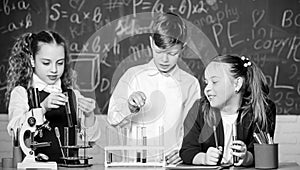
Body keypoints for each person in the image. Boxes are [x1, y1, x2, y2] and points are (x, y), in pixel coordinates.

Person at [107, 12, 201, 164]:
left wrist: (184, 151)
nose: (164, 59)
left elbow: (193, 129)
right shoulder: (133, 76)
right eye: (159, 51)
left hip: (173, 164)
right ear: (151, 42)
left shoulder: (190, 84)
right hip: (137, 164)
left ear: (182, 48)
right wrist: (129, 107)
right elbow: (112, 118)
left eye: (172, 53)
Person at [6, 31, 101, 163]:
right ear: (32, 60)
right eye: (46, 63)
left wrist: (89, 115)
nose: (54, 70)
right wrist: (42, 108)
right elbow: (15, 132)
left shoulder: (72, 95)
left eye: (60, 63)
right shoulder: (21, 93)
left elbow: (90, 140)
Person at [180, 54, 276, 166]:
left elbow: (263, 153)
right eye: (207, 83)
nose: (207, 89)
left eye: (214, 82)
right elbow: (187, 151)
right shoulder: (199, 109)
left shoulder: (261, 109)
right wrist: (204, 158)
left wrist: (246, 158)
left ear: (237, 83)